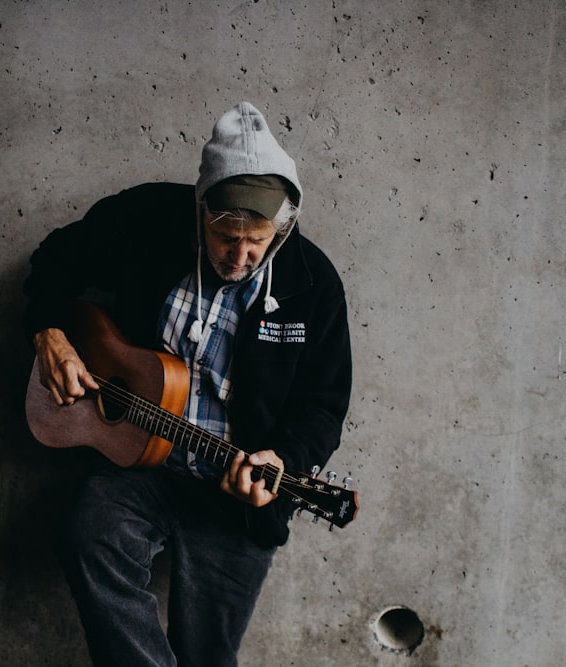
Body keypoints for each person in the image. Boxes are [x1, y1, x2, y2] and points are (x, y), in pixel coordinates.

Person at [22, 101, 352, 666]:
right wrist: (48, 331)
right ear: (202, 207)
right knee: (86, 535)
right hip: (139, 467)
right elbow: (53, 261)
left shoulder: (312, 284)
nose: (242, 255)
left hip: (232, 500)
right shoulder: (145, 220)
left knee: (207, 656)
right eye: (228, 237)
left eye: (259, 241)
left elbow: (324, 407)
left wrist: (284, 459)